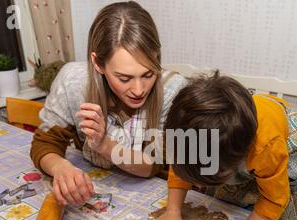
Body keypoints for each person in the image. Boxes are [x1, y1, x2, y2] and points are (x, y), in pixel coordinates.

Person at [142, 71, 297, 220]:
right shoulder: (190, 136)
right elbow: (181, 164)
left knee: (274, 201)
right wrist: (172, 210)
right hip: (237, 146)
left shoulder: (266, 147)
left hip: (278, 148)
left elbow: (275, 199)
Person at [30, 1, 187, 207]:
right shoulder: (72, 81)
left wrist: (104, 145)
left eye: (148, 74)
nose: (139, 90)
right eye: (124, 78)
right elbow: (45, 143)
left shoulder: (173, 90)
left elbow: (153, 165)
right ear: (97, 63)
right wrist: (61, 168)